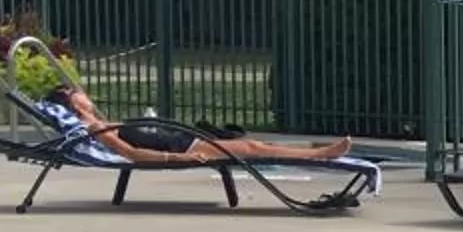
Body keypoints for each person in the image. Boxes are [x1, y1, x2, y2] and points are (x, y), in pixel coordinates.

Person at [44, 78, 359, 169]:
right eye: (78, 92)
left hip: (186, 139)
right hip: (184, 145)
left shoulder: (99, 122)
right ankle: (322, 155)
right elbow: (133, 155)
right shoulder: (95, 129)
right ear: (73, 102)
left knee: (257, 146)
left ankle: (319, 153)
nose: (84, 92)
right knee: (253, 147)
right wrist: (179, 158)